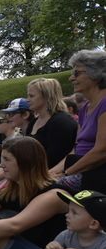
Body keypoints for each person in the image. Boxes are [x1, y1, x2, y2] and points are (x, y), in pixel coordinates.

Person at [52, 50, 106, 193]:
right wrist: (52, 172)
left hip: (95, 175)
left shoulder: (104, 104)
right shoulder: (85, 108)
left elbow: (101, 151)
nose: (71, 78)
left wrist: (66, 173)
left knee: (41, 190)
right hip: (78, 169)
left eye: (77, 73)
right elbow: (77, 148)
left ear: (96, 73)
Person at [25, 79, 78, 169]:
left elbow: (55, 158)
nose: (28, 100)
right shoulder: (34, 121)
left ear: (46, 96)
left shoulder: (61, 122)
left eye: (31, 96)